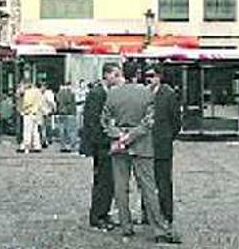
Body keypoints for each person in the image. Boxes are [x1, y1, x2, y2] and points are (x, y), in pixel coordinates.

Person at [101, 64, 180, 244]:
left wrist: (120, 136)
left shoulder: (112, 93)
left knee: (121, 188)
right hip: (142, 145)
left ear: (122, 73)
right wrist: (132, 136)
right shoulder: (147, 93)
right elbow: (148, 122)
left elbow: (105, 121)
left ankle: (126, 226)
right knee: (148, 188)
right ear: (137, 74)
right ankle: (159, 228)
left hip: (119, 145)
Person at [82, 63, 124, 231]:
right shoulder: (97, 93)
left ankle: (103, 213)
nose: (118, 77)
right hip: (102, 145)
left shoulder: (106, 92)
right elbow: (94, 121)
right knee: (103, 181)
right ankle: (97, 216)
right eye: (116, 74)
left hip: (105, 143)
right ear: (107, 75)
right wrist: (107, 140)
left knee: (108, 181)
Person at [139, 65, 182, 225]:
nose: (148, 79)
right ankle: (147, 214)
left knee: (163, 182)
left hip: (162, 145)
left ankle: (166, 214)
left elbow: (176, 121)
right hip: (144, 145)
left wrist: (167, 137)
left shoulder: (169, 94)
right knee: (146, 182)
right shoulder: (142, 93)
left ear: (159, 77)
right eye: (146, 76)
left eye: (151, 75)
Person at [21, 81, 44, 153]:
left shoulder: (28, 92)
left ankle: (26, 146)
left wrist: (23, 109)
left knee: (27, 130)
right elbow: (41, 103)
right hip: (36, 113)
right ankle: (37, 145)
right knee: (35, 131)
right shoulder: (38, 92)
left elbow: (26, 103)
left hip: (28, 113)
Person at [55, 82, 78, 152]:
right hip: (69, 113)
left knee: (62, 130)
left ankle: (63, 146)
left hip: (61, 113)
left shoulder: (59, 93)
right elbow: (69, 102)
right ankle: (70, 146)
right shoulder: (70, 92)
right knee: (70, 130)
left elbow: (57, 101)